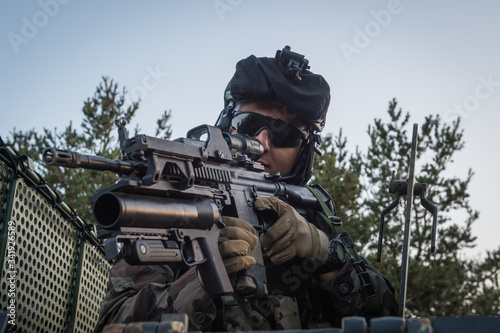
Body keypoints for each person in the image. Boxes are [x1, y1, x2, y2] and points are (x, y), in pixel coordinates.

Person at [94, 46, 397, 332]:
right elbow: (113, 323)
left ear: (304, 151)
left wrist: (327, 255)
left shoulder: (315, 218)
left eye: (284, 132)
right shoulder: (177, 209)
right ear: (229, 127)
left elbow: (387, 318)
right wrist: (202, 283)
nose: (262, 143)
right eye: (249, 123)